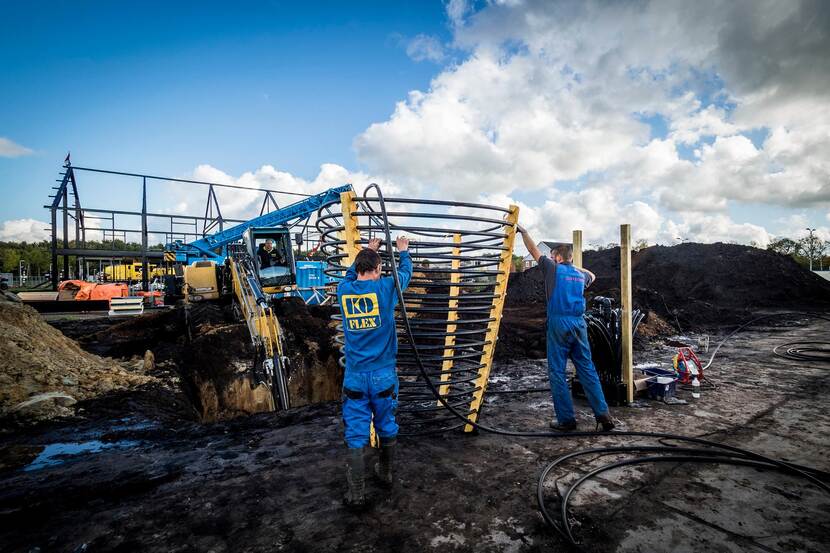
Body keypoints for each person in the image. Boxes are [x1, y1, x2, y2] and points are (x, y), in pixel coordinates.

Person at [337, 235, 412, 508]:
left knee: (355, 433)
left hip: (355, 375)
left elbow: (349, 274)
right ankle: (386, 472)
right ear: (379, 270)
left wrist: (368, 250)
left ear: (357, 269)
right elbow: (405, 274)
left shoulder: (343, 290)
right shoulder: (387, 288)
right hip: (383, 374)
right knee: (386, 424)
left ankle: (356, 493)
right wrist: (403, 251)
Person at [518, 227, 615, 432]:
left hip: (559, 325)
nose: (550, 259)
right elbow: (593, 275)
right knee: (587, 370)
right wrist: (573, 267)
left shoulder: (552, 269)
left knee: (557, 373)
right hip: (579, 325)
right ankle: (603, 415)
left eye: (553, 256)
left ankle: (566, 420)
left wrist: (523, 232)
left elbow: (533, 250)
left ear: (559, 257)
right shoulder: (581, 277)